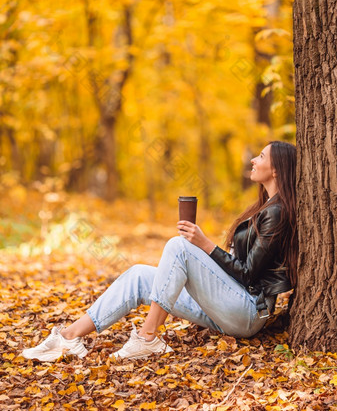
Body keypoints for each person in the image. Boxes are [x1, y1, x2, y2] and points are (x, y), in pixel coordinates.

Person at [22, 140, 297, 362]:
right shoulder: (263, 207)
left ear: (276, 170)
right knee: (139, 274)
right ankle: (69, 337)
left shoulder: (278, 212)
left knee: (179, 245)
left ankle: (147, 338)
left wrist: (204, 244)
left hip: (248, 312)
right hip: (226, 307)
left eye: (261, 156)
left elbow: (248, 275)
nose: (253, 160)